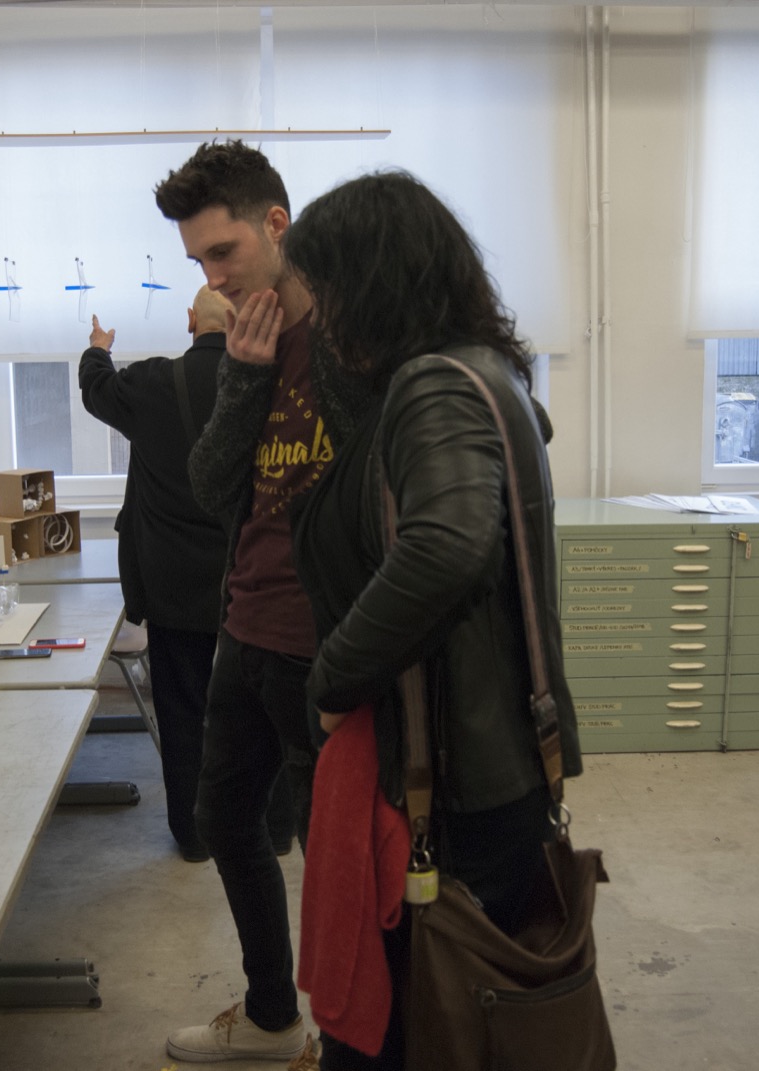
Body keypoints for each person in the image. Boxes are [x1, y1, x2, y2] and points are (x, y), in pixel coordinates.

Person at [281, 171, 584, 1070]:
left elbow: (447, 549)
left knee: (414, 1034)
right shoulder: (477, 373)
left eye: (325, 289)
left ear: (368, 283)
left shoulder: (432, 388)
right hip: (490, 773)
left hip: (455, 790)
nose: (319, 314)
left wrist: (332, 677)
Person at [154, 141, 366, 1069]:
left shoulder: (354, 340)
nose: (212, 277)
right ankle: (276, 1016)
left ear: (276, 225)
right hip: (244, 629)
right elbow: (212, 485)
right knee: (225, 821)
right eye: (198, 259)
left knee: (335, 856)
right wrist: (242, 373)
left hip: (326, 646)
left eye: (223, 251)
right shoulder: (251, 343)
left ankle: (351, 1036)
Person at [79, 286, 295, 861]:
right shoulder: (273, 383)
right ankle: (276, 831)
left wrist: (98, 348)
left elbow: (97, 390)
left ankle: (194, 835)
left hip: (173, 584)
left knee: (182, 711)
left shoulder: (153, 382)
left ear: (190, 320)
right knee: (269, 709)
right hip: (252, 580)